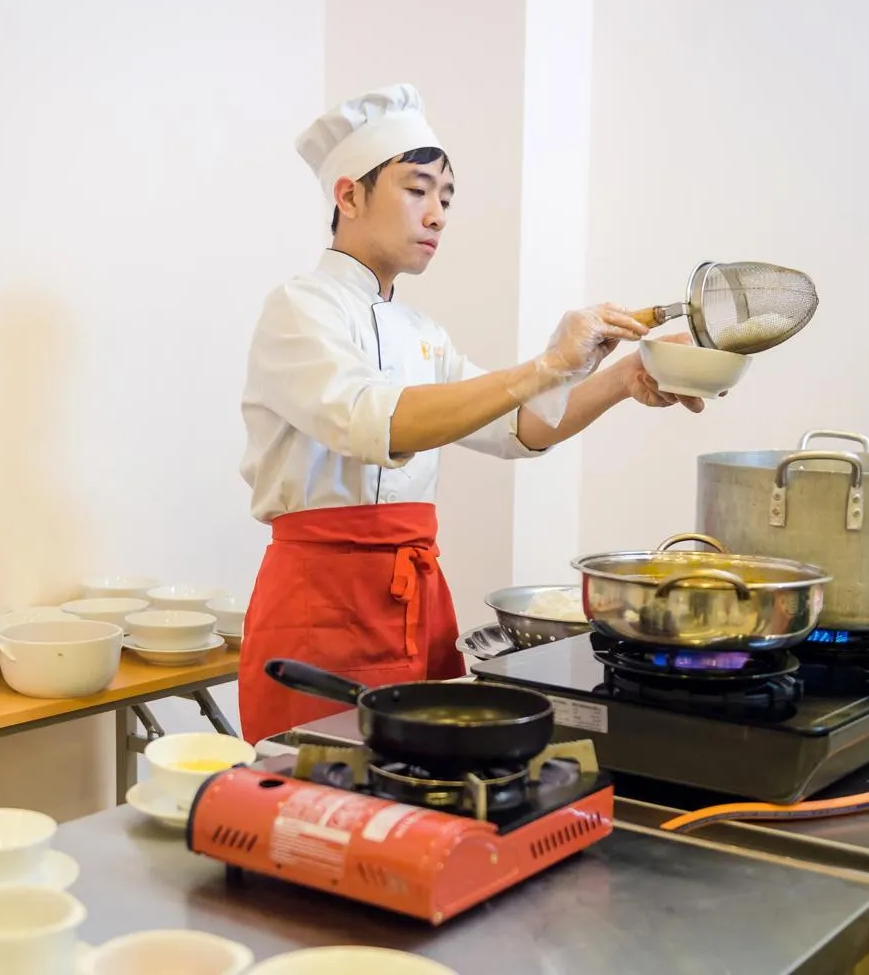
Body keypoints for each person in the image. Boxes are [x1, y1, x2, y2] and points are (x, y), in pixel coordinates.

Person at [235, 84, 703, 743]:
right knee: (318, 793)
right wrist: (544, 366)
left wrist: (626, 376)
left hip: (414, 597)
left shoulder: (423, 331)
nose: (437, 214)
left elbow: (520, 427)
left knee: (417, 781)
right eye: (418, 189)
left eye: (447, 197)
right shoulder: (300, 309)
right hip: (321, 601)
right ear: (348, 196)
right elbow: (382, 421)